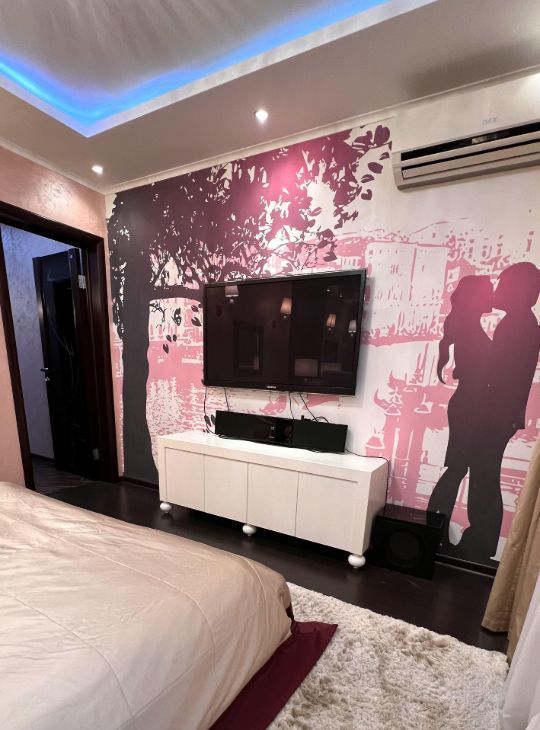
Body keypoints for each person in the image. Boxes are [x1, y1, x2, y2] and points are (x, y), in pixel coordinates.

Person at [457, 262, 540, 563]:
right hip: (500, 416)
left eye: (502, 285)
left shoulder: (517, 325)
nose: (497, 290)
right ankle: (480, 542)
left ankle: (479, 544)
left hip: (494, 416)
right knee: (485, 476)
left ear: (517, 290)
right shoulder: (522, 323)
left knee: (484, 477)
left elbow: (499, 375)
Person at [428, 275, 493, 549]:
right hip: (469, 406)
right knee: (456, 469)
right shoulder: (470, 330)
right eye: (489, 292)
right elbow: (476, 372)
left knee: (456, 469)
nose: (492, 296)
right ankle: (434, 531)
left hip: (468, 404)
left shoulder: (468, 327)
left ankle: (434, 531)